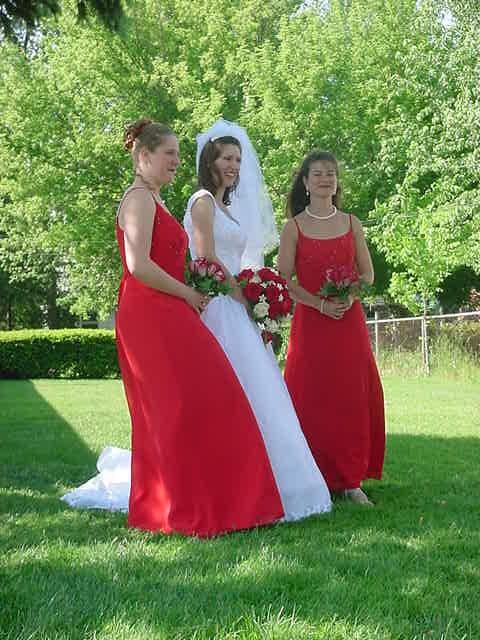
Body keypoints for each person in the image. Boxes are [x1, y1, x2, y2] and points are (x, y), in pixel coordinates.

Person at [62, 119, 284, 536]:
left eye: (179, 155)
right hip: (149, 312)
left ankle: (218, 499)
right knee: (173, 407)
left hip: (172, 306)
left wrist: (195, 290)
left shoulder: (157, 200)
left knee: (210, 395)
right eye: (169, 155)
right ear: (144, 156)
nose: (177, 162)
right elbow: (138, 265)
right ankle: (176, 507)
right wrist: (186, 293)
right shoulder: (138, 200)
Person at [183, 119, 332, 521]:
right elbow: (205, 258)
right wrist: (243, 294)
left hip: (238, 306)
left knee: (260, 391)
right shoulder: (202, 202)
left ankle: (276, 482)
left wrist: (257, 291)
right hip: (218, 307)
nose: (233, 166)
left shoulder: (226, 207)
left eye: (238, 159)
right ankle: (229, 481)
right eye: (226, 158)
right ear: (209, 160)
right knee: (232, 391)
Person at [278, 150, 385, 505]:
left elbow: (367, 273)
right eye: (318, 174)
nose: (326, 179)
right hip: (311, 324)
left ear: (336, 182)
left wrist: (350, 295)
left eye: (331, 174)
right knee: (310, 394)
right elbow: (283, 281)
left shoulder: (352, 223)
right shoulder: (293, 227)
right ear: (306, 183)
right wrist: (319, 303)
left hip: (348, 324)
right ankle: (312, 474)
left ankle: (350, 479)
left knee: (350, 395)